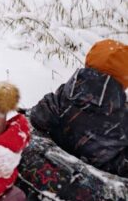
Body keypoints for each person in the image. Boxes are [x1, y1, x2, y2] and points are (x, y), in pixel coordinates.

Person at [29, 39, 128, 177]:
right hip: (93, 180)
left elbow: (37, 116)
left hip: (49, 166)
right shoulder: (123, 118)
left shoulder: (66, 94)